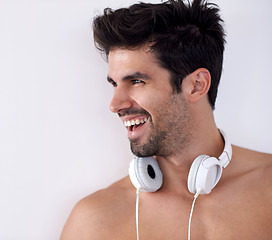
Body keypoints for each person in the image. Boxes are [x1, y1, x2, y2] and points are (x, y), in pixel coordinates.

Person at [61, 0, 272, 239]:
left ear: (196, 85)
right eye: (115, 84)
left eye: (137, 81)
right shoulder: (94, 221)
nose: (115, 105)